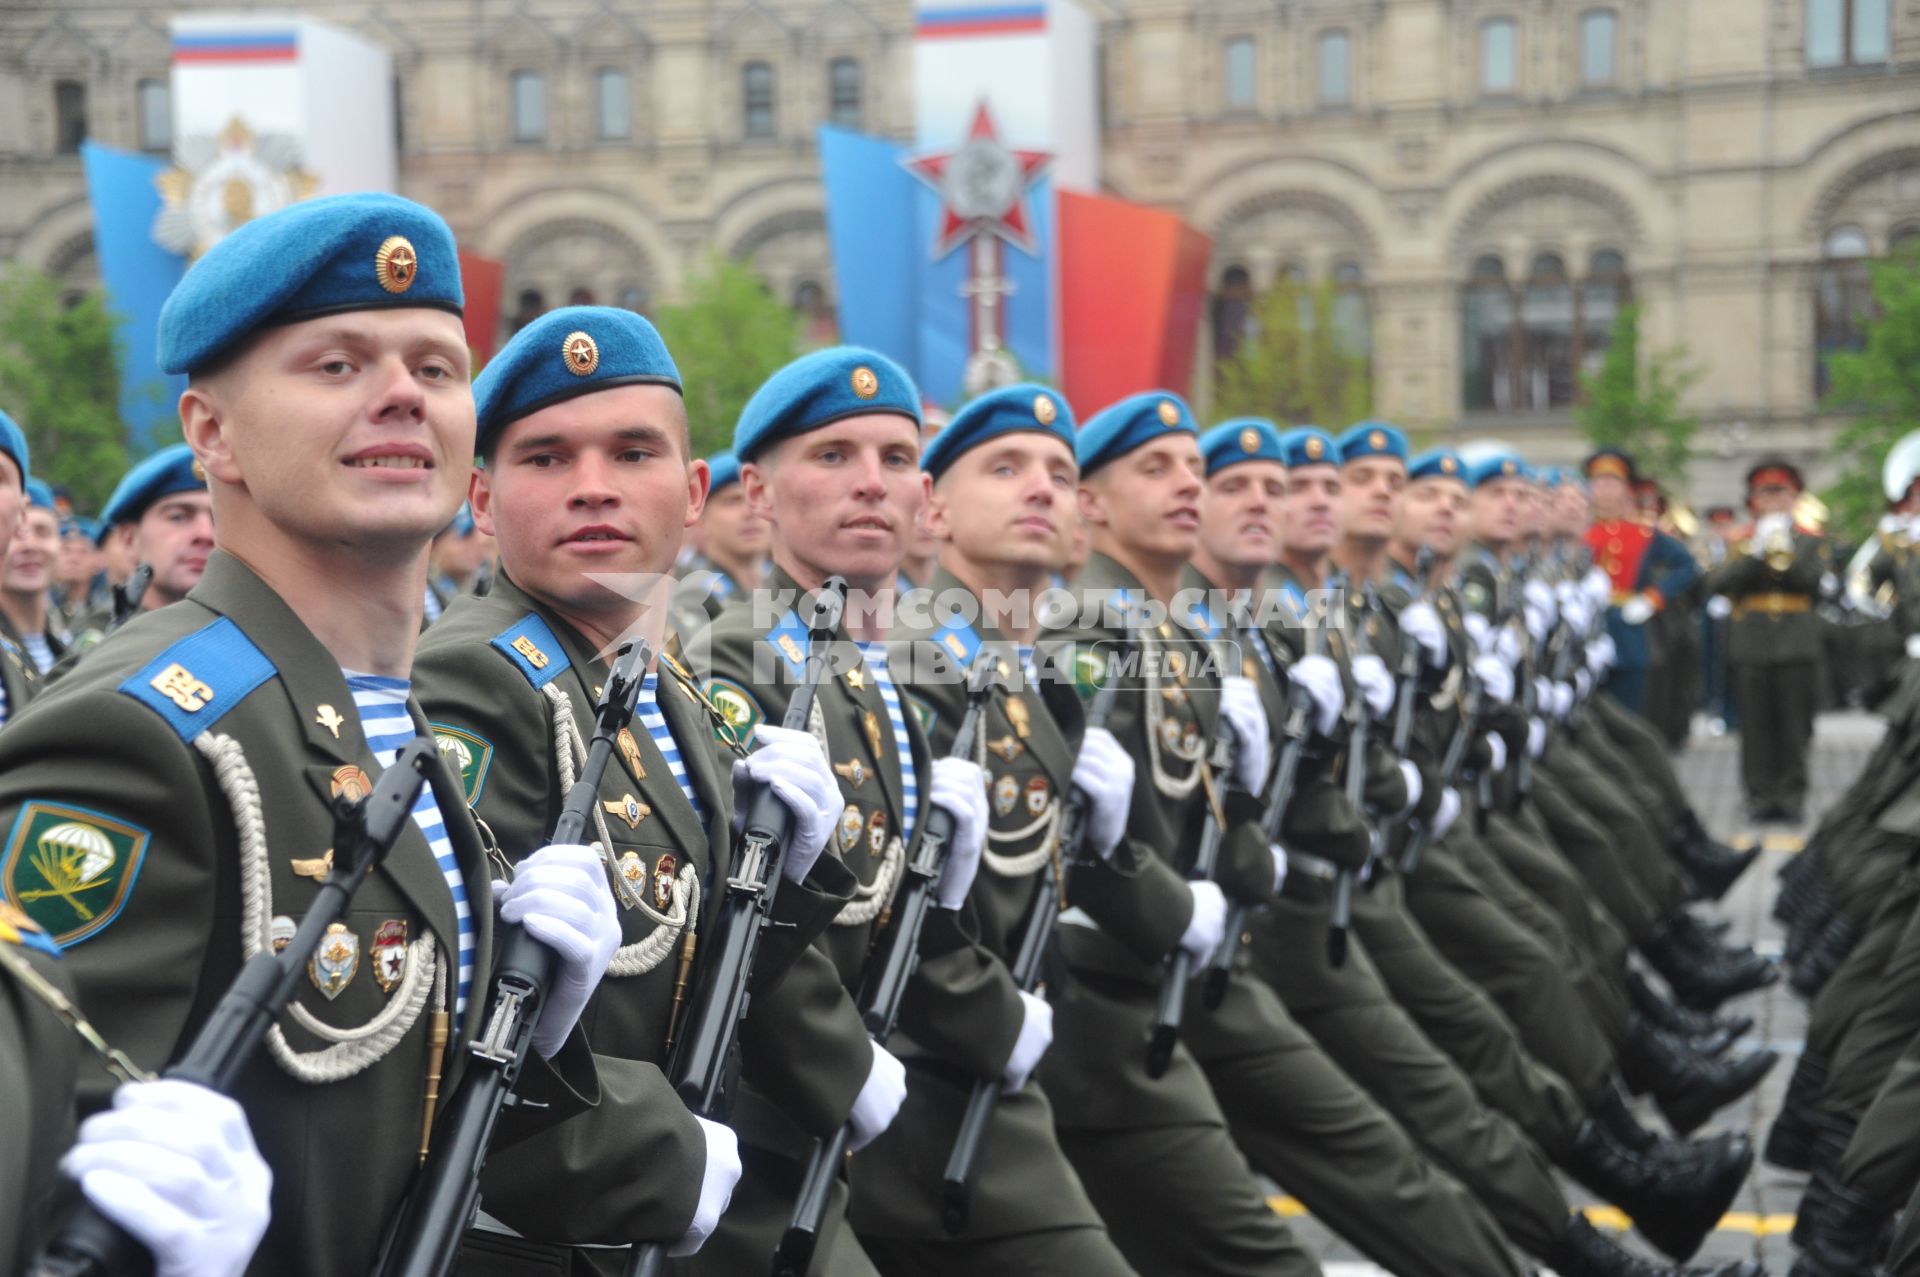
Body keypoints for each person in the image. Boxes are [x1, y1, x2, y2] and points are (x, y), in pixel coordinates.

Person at [0, 191, 622, 1276]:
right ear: (212, 433)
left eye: (435, 369)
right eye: (337, 366)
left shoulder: (390, 714)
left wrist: (533, 1031)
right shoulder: (145, 731)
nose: (400, 397)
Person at [413, 305, 861, 1271]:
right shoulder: (477, 678)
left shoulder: (661, 677)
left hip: (692, 1184)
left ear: (693, 490)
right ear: (480, 502)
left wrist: (795, 879)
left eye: (631, 452)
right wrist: (673, 1154)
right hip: (579, 1223)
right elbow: (473, 1031)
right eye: (546, 459)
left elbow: (706, 962)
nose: (593, 489)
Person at [1055, 401, 1521, 1277]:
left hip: (1204, 956)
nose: (1191, 487)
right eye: (1162, 469)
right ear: (1096, 503)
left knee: (1387, 1137)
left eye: (1197, 468)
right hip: (1116, 990)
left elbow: (1228, 810)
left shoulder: (1187, 626)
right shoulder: (1090, 633)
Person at [691, 347, 989, 1276]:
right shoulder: (740, 663)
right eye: (832, 455)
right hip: (757, 1130)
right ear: (758, 493)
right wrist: (845, 1069)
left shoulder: (876, 668)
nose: (871, 484)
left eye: (896, 459)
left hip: (842, 1117)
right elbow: (741, 924)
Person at [853, 382, 1140, 1276]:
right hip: (926, 1084)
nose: (1041, 488)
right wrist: (994, 1017)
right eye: (1006, 467)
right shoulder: (912, 658)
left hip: (1009, 1062)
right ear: (931, 510)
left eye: (1059, 471)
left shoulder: (1028, 667)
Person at [1713, 460, 1827, 823]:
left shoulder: (1809, 539)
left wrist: (1786, 553)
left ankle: (1792, 796)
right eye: (1766, 493)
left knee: (1794, 724)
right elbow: (1723, 584)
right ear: (1755, 500)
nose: (1774, 500)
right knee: (1756, 725)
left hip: (1795, 639)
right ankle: (1759, 795)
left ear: (1794, 497)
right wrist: (1758, 551)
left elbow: (1813, 585)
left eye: (1781, 492)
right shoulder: (1742, 540)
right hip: (1752, 641)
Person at [59, 443, 213, 665]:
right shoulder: (105, 642)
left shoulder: (240, 635)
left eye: (217, 520)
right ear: (130, 540)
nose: (205, 534)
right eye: (178, 517)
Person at [1583, 450, 1698, 716]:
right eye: (1598, 483)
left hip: (1628, 629)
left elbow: (1686, 565)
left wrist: (1653, 598)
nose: (1604, 491)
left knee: (1629, 711)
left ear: (1626, 489)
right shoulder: (1580, 533)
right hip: (1589, 627)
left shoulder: (1643, 533)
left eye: (1612, 483)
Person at [669, 450, 766, 640]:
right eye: (733, 501)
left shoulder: (780, 586)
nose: (750, 512)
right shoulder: (695, 598)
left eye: (757, 498)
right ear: (701, 519)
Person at [0, 479, 68, 673]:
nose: (29, 545)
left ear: (59, 545)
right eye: (14, 532)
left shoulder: (65, 647)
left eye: (42, 532)